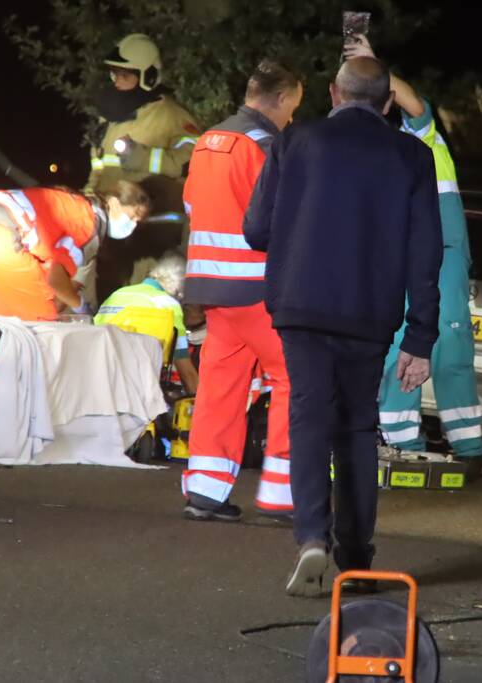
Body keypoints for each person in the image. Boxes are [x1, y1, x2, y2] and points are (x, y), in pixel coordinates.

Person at [243, 57, 442, 596]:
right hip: (369, 314)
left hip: (301, 307)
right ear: (387, 103)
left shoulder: (295, 141)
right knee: (357, 427)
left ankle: (311, 536)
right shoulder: (412, 157)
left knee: (308, 415)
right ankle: (357, 556)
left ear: (333, 93)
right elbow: (426, 251)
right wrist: (421, 336)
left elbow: (256, 229)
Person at [343, 36, 482, 470]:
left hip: (442, 263)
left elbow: (413, 104)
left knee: (450, 352)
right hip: (405, 266)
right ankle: (402, 447)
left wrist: (370, 63)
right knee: (398, 352)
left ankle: (470, 454)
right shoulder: (380, 156)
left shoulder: (426, 142)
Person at [179, 60, 304, 522]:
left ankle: (206, 493)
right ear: (283, 98)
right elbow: (285, 217)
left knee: (221, 386)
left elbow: (192, 204)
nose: (293, 116)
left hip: (213, 291)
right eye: (294, 106)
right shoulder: (268, 146)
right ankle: (281, 494)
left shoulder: (209, 140)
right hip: (258, 288)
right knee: (296, 380)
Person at [0, 181, 150, 321]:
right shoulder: (88, 224)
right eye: (132, 217)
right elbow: (56, 281)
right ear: (113, 203)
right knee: (43, 331)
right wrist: (83, 308)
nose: (132, 225)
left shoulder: (72, 203)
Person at [86, 34, 201, 194]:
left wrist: (143, 158)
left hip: (149, 212)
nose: (117, 82)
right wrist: (89, 199)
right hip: (110, 212)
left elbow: (194, 164)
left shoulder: (170, 115)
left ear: (148, 77)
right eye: (115, 74)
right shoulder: (110, 117)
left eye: (125, 76)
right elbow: (98, 171)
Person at [94, 252, 199, 393]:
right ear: (178, 291)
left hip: (104, 378)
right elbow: (185, 369)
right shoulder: (169, 305)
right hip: (144, 387)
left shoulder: (117, 295)